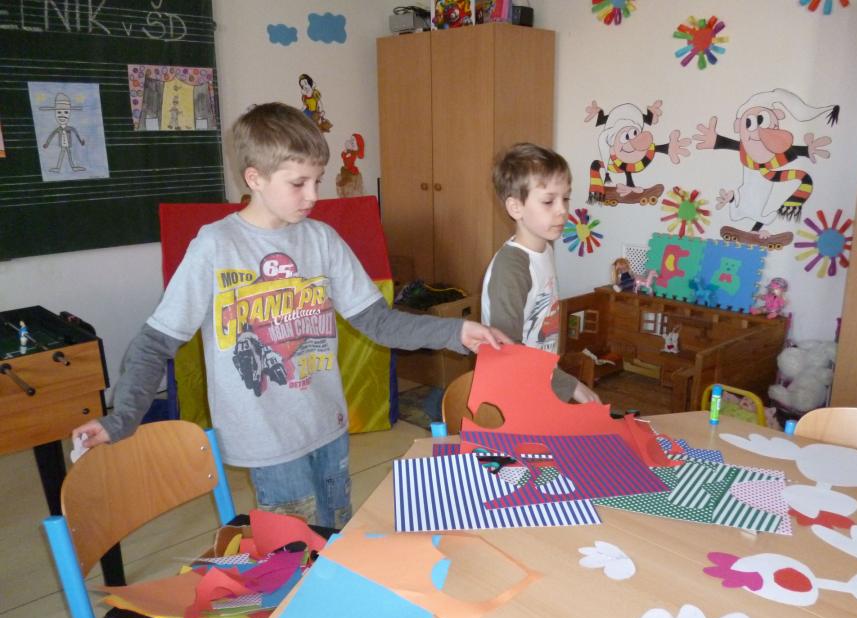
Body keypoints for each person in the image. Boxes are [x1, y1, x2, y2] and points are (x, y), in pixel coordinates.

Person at [73, 102, 509, 528]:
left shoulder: (322, 239)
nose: (313, 196)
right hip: (266, 439)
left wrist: (456, 331)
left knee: (334, 527)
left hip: (327, 425)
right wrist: (121, 418)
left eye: (317, 180)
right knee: (295, 546)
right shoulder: (215, 247)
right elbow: (154, 343)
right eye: (298, 183)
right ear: (255, 178)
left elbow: (378, 321)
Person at [482, 142, 600, 405]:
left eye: (565, 198)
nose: (562, 210)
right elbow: (506, 349)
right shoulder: (511, 269)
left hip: (540, 379)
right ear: (516, 208)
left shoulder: (545, 248)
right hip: (512, 390)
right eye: (548, 201)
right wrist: (568, 384)